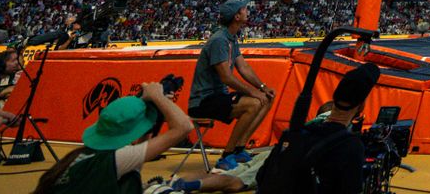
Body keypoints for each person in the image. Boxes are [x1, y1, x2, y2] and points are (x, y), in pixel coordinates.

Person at [147, 64, 378, 194]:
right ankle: (182, 185)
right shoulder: (346, 145)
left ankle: (174, 183)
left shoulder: (302, 131)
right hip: (288, 162)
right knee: (233, 181)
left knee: (224, 175)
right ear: (360, 108)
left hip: (278, 153)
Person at [32, 79, 193, 194]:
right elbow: (184, 127)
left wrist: (155, 106)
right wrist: (158, 97)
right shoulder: (117, 158)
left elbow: (139, 156)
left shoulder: (81, 154)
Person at [189, 1, 274, 170]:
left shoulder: (231, 38)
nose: (246, 10)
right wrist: (253, 92)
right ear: (236, 16)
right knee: (254, 103)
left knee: (267, 98)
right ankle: (227, 155)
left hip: (218, 97)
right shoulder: (219, 40)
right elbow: (226, 77)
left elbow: (243, 67)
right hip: (204, 101)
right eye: (243, 9)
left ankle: (239, 149)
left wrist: (263, 88)